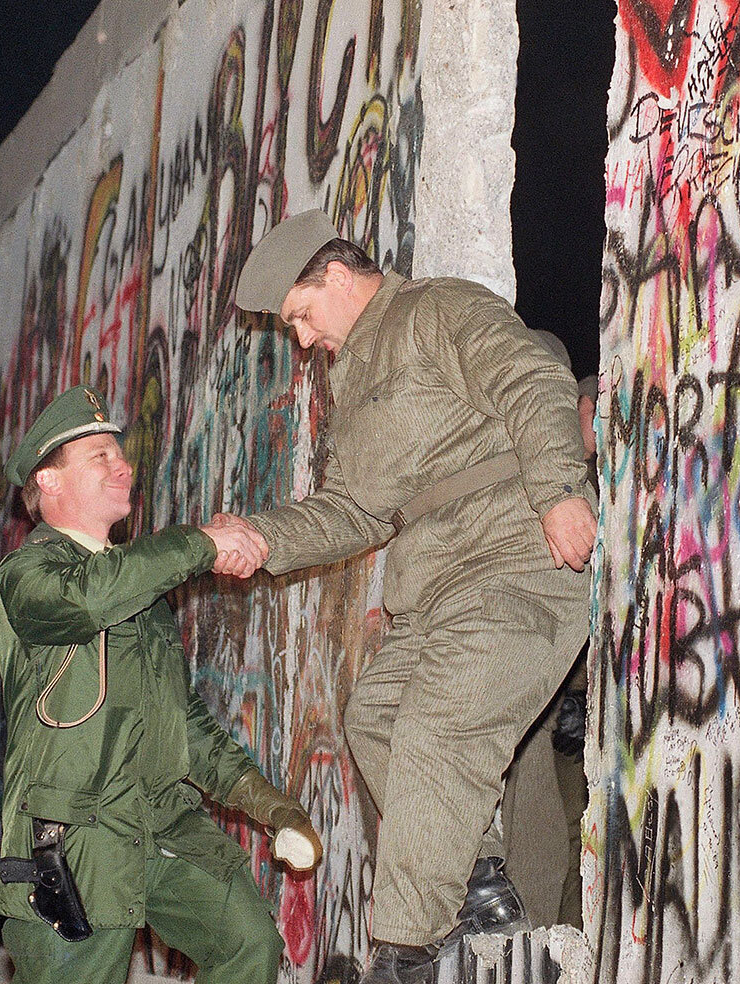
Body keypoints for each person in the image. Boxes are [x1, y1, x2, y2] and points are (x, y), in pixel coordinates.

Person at [225, 211, 596, 983]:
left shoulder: (437, 310)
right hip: (432, 589)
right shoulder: (348, 377)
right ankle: (481, 884)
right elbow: (353, 512)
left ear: (334, 274)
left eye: (300, 315)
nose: (300, 339)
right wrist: (262, 539)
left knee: (435, 729)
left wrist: (561, 487)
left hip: (509, 556)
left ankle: (402, 955)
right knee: (378, 716)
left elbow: (532, 380)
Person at [0, 384, 322, 984]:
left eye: (121, 454)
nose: (125, 466)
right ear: (49, 481)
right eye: (100, 457)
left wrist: (269, 805)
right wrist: (200, 543)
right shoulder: (27, 574)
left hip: (160, 823)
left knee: (248, 944)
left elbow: (184, 724)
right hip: (75, 839)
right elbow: (87, 597)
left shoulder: (142, 594)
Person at [497, 374, 599, 930]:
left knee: (575, 835)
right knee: (539, 834)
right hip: (544, 694)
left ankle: (562, 942)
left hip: (579, 703)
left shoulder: (610, 480)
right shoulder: (552, 481)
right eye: (593, 411)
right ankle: (534, 940)